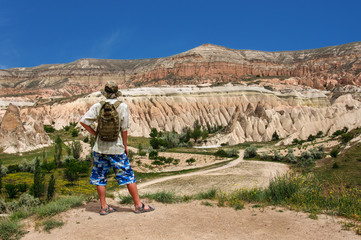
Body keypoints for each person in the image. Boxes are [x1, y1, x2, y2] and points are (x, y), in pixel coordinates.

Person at [80, 81, 154, 215]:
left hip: (100, 148)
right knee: (128, 176)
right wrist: (125, 145)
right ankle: (138, 205)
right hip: (117, 148)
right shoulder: (123, 106)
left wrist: (96, 134)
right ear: (116, 93)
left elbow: (84, 122)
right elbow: (124, 129)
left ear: (105, 93)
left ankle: (103, 207)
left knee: (100, 177)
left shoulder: (98, 106)